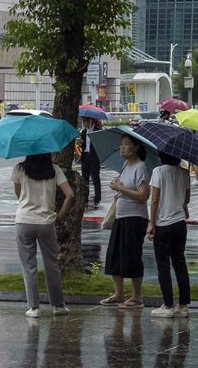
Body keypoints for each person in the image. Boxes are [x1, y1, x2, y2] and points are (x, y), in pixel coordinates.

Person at [11, 153, 74, 318]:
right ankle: (58, 306)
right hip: (46, 222)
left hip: (24, 221)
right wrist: (59, 215)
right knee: (52, 265)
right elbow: (70, 195)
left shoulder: (19, 168)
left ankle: (34, 308)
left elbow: (18, 194)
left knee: (29, 266)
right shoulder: (54, 170)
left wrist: (28, 204)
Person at [100, 135, 150, 308]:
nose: (122, 147)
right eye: (120, 144)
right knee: (114, 255)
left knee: (132, 256)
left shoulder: (140, 167)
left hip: (135, 217)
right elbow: (126, 189)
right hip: (121, 216)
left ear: (136, 147)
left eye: (126, 144)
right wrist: (118, 187)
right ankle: (119, 294)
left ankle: (136, 297)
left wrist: (121, 188)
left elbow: (143, 195)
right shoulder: (125, 165)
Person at [147, 152, 191, 318]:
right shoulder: (184, 172)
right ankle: (183, 305)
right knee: (180, 262)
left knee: (163, 264)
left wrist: (151, 222)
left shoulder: (158, 171)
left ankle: (168, 305)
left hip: (163, 224)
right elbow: (186, 199)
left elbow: (155, 200)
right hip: (180, 223)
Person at [77, 117, 102, 208]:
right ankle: (85, 199)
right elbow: (84, 146)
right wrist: (80, 143)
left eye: (85, 121)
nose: (83, 123)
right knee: (85, 179)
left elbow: (99, 145)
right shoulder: (84, 132)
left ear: (90, 121)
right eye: (83, 121)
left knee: (95, 179)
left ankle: (97, 199)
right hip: (85, 157)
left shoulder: (97, 131)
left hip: (94, 158)